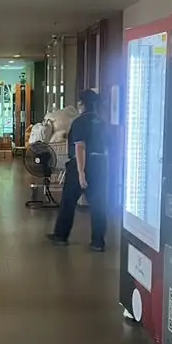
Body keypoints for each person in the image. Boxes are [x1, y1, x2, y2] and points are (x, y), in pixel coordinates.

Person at [47, 89, 107, 250]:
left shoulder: (80, 122)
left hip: (80, 165)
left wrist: (81, 174)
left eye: (79, 102)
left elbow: (80, 147)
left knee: (68, 201)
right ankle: (98, 241)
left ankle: (61, 235)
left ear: (82, 104)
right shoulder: (101, 122)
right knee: (99, 204)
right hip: (100, 166)